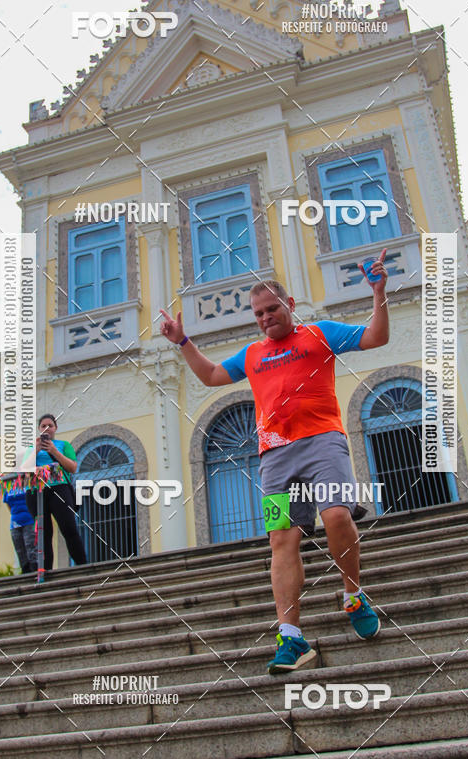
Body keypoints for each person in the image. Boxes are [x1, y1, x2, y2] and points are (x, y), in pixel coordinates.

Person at [160, 250, 389, 674]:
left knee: (337, 514)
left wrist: (379, 293)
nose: (265, 318)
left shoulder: (320, 334)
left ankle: (353, 596)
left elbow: (376, 337)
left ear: (290, 306)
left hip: (323, 442)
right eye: (258, 313)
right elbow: (211, 376)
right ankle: (292, 638)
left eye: (272, 309)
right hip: (275, 459)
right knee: (281, 540)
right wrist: (183, 343)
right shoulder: (252, 354)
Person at [25, 414, 88, 571]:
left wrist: (53, 450)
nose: (47, 428)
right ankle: (46, 571)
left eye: (50, 425)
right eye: (43, 426)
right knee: (44, 533)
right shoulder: (32, 447)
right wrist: (37, 449)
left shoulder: (63, 445)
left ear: (55, 428)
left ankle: (83, 567)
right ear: (39, 429)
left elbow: (72, 467)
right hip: (36, 490)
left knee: (69, 528)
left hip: (59, 487)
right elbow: (23, 470)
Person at [4, 490, 37, 573]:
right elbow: (8, 505)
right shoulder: (8, 487)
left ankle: (35, 570)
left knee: (30, 546)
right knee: (20, 550)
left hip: (29, 521)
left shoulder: (28, 484)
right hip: (15, 523)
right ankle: (25, 571)